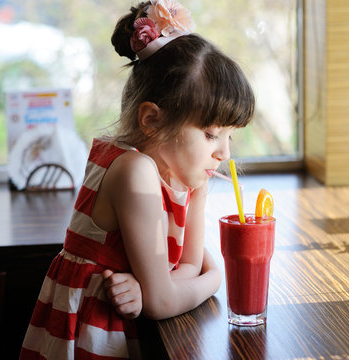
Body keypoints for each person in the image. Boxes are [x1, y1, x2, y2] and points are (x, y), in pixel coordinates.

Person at [19, 0, 255, 359]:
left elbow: (187, 265)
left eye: (229, 137)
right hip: (89, 334)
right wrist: (214, 281)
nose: (223, 153)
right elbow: (166, 298)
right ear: (152, 120)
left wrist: (154, 286)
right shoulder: (135, 171)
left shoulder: (189, 178)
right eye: (210, 134)